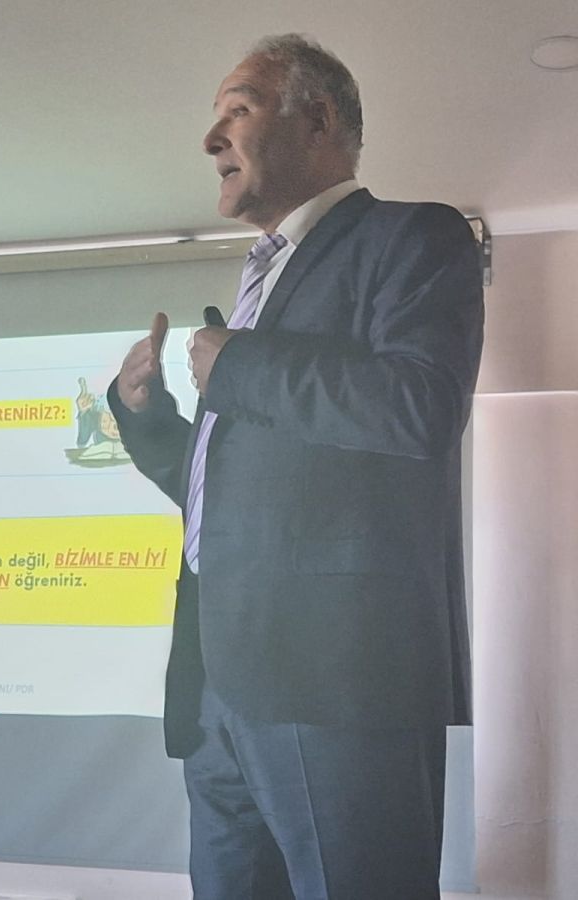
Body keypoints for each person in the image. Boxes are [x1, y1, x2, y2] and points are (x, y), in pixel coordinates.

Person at [109, 34, 484, 899]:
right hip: (217, 688)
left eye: (237, 110)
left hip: (337, 682)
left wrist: (240, 367)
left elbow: (421, 407)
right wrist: (149, 419)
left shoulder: (412, 236)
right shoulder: (263, 278)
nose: (211, 139)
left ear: (317, 120)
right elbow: (231, 491)